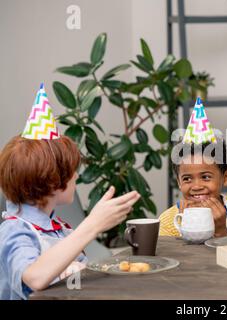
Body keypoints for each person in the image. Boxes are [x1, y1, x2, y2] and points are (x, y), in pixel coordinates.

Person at [0, 84, 140, 299]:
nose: (76, 176)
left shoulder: (58, 229)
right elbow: (34, 277)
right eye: (72, 172)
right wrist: (93, 224)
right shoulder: (14, 231)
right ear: (52, 182)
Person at [159, 98, 227, 237]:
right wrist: (186, 228)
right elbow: (170, 258)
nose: (196, 186)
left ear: (226, 177)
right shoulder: (168, 221)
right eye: (187, 178)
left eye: (205, 177)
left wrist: (220, 230)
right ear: (178, 182)